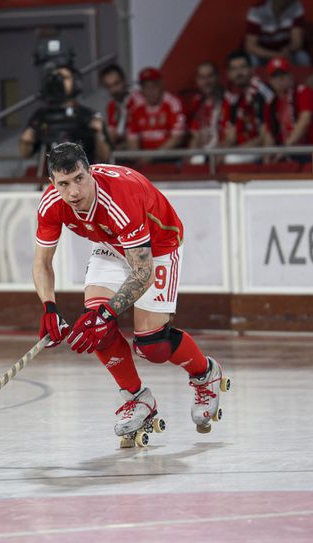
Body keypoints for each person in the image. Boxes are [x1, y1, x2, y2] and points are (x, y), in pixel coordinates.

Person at [33, 142, 228, 443]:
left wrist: (107, 312)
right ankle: (138, 398)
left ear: (91, 172)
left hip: (159, 244)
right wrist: (49, 307)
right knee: (96, 325)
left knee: (152, 346)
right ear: (52, 184)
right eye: (64, 184)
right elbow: (42, 262)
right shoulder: (51, 204)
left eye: (80, 179)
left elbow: (143, 272)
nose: (74, 192)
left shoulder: (119, 199)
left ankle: (205, 373)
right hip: (111, 244)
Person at [20, 66, 110, 165]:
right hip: (53, 177)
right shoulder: (42, 116)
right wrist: (26, 141)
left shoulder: (88, 116)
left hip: (82, 176)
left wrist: (98, 134)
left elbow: (105, 157)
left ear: (76, 82)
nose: (59, 81)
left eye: (65, 78)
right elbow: (26, 154)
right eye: (57, 77)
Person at [261, 57, 313, 161]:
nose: (280, 79)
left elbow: (304, 122)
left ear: (291, 75)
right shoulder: (271, 103)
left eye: (283, 74)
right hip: (285, 153)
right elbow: (269, 134)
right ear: (270, 81)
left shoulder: (304, 92)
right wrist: (267, 160)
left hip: (308, 151)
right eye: (275, 76)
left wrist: (284, 150)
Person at [125, 67, 187, 160]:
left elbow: (177, 138)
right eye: (146, 87)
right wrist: (138, 158)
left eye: (154, 86)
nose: (150, 91)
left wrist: (152, 157)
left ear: (161, 85)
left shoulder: (173, 103)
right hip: (143, 158)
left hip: (167, 157)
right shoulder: (136, 107)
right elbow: (132, 139)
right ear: (142, 89)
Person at [224, 50, 274, 162]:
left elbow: (265, 135)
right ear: (228, 74)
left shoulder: (261, 92)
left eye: (242, 67)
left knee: (230, 159)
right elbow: (231, 136)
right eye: (234, 69)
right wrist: (215, 153)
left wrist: (235, 150)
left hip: (267, 148)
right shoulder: (235, 98)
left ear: (252, 69)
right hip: (246, 148)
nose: (239, 73)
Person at [185, 61, 232, 161]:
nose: (206, 81)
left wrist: (216, 157)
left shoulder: (229, 101)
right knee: (195, 160)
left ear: (218, 77)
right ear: (197, 80)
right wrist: (188, 159)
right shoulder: (196, 102)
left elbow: (230, 138)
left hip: (222, 153)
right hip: (203, 154)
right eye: (202, 77)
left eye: (210, 76)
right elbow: (195, 137)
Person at [244, 0, 311, 67]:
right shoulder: (257, 9)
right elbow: (250, 46)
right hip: (263, 53)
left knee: (302, 57)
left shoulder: (296, 6)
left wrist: (287, 50)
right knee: (252, 60)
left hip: (286, 51)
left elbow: (297, 42)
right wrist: (277, 55)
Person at [99, 64, 144, 150]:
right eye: (109, 86)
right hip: (125, 155)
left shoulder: (139, 101)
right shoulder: (112, 105)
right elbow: (111, 137)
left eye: (116, 84)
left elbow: (141, 141)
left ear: (124, 81)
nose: (113, 90)